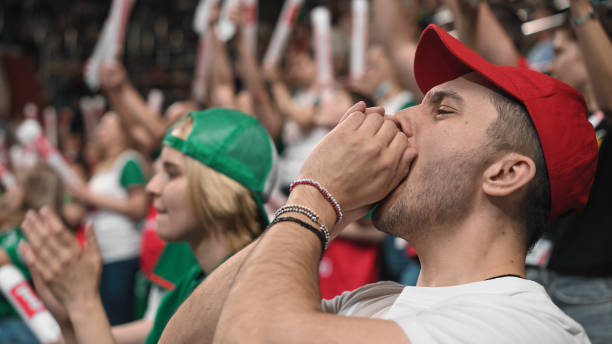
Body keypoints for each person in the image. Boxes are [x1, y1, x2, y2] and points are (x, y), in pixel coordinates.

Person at [160, 24, 598, 343]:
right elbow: (184, 338)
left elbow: (250, 335)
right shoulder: (375, 301)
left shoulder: (517, 326)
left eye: (441, 111)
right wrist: (335, 206)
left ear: (505, 174)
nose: (394, 116)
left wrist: (315, 196)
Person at [18, 108, 278, 344]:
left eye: (172, 173)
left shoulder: (246, 294)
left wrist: (83, 304)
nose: (152, 187)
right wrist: (68, 320)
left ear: (220, 192)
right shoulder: (191, 282)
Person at [526, 2, 612, 343]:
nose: (550, 64)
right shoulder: (576, 122)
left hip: (593, 293)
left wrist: (581, 10)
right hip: (539, 280)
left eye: (560, 51)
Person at [68, 111, 149, 326]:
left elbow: (139, 206)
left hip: (122, 252)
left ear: (122, 132)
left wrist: (90, 196)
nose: (101, 131)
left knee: (118, 318)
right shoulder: (102, 166)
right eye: (101, 126)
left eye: (108, 126)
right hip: (102, 254)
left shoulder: (128, 161)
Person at [0, 164, 65, 344]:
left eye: (18, 185)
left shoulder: (34, 229)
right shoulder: (11, 224)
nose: (11, 190)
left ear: (33, 191)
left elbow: (4, 258)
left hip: (23, 323)